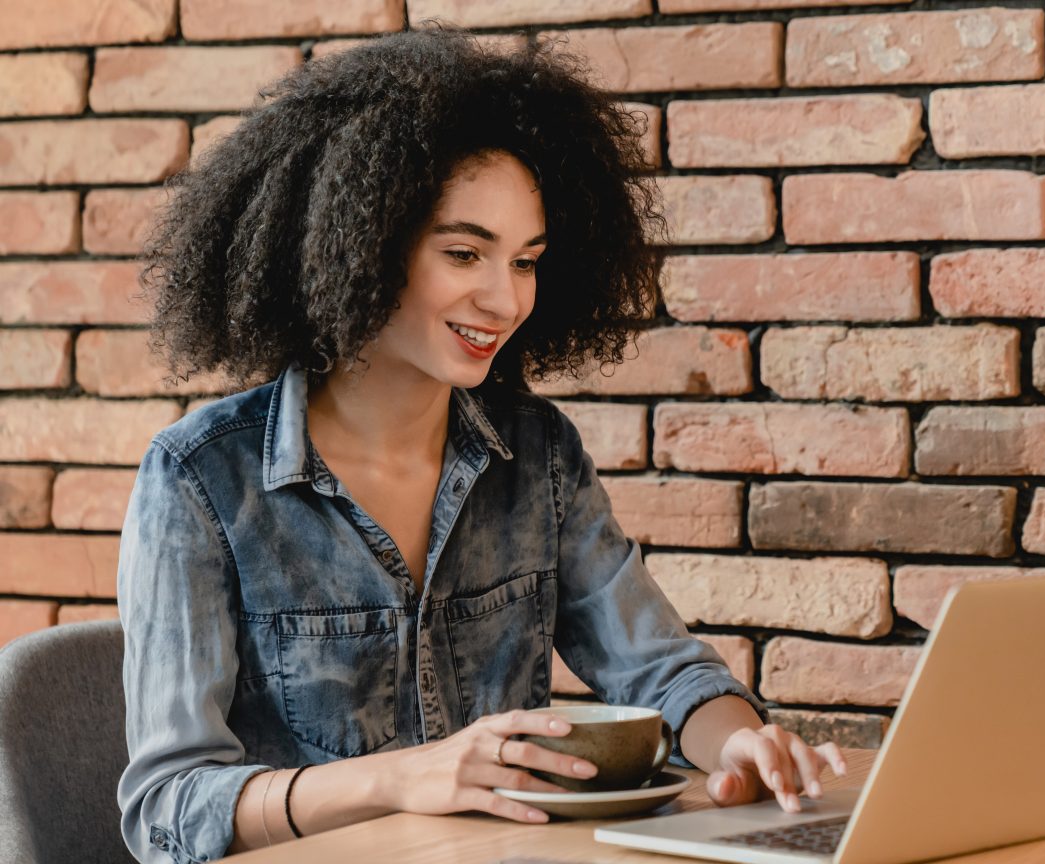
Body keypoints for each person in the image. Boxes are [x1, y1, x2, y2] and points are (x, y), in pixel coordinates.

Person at [116, 27, 845, 863]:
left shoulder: (537, 455)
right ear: (358, 246)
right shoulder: (203, 480)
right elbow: (167, 808)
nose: (504, 298)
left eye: (527, 260)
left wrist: (742, 744)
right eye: (465, 252)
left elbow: (662, 672)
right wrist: (401, 778)